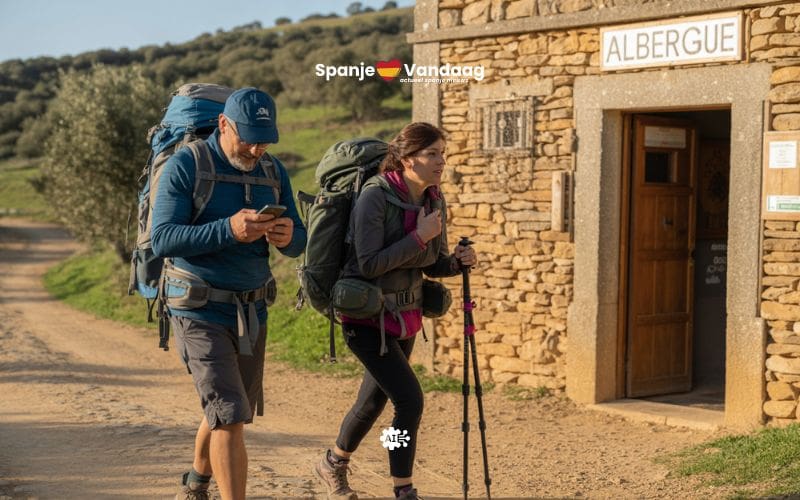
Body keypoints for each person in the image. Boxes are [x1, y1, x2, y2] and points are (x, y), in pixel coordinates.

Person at [151, 87, 307, 500]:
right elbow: (162, 238)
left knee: (227, 409)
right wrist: (228, 230)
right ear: (224, 124)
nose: (256, 148)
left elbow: (297, 240)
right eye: (249, 137)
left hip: (252, 308)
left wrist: (290, 237)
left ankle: (197, 482)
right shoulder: (187, 165)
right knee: (231, 413)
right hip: (198, 307)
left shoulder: (273, 171)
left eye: (265, 139)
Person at [313, 122, 477, 500]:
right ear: (406, 158)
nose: (441, 161)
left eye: (442, 153)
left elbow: (431, 264)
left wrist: (457, 262)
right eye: (432, 153)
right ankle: (403, 488)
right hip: (365, 317)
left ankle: (333, 462)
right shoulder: (375, 196)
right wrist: (419, 236)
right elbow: (368, 263)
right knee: (409, 400)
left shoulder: (434, 199)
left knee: (373, 401)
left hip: (405, 317)